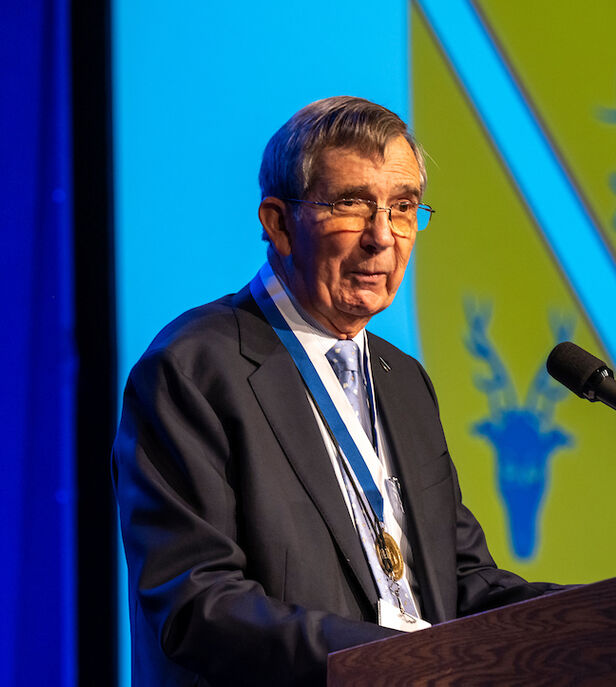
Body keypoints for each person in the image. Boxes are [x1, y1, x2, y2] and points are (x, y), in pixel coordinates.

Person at [112, 96, 559, 686]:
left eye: (404, 208)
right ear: (278, 223)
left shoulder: (403, 380)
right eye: (352, 205)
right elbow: (197, 605)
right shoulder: (193, 368)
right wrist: (389, 657)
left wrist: (609, 616)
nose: (383, 237)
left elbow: (462, 581)